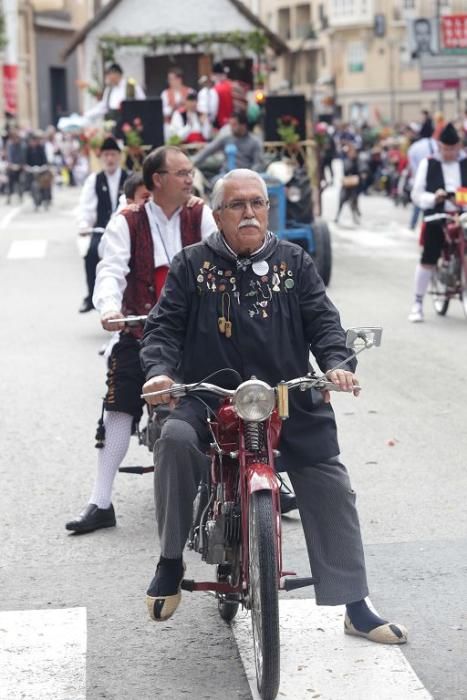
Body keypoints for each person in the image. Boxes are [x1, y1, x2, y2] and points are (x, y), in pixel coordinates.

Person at [139, 168, 408, 646]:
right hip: (207, 397)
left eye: (257, 204)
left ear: (268, 210)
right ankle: (169, 558)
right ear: (218, 215)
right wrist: (160, 374)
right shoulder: (190, 265)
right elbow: (162, 330)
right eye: (237, 205)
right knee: (174, 441)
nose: (249, 213)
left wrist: (335, 365)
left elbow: (325, 324)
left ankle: (355, 603)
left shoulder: (295, 262)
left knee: (328, 478)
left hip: (286, 397)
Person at [65, 146, 217, 534]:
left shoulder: (201, 214)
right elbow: (111, 270)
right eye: (181, 173)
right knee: (118, 405)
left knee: (236, 391)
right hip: (140, 329)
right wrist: (109, 308)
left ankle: (255, 478)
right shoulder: (126, 221)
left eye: (190, 172)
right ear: (157, 180)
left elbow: (221, 259)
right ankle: (101, 501)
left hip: (195, 331)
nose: (190, 179)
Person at [408, 122, 467, 322]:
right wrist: (435, 198)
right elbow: (416, 194)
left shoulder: (465, 162)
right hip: (438, 216)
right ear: (439, 146)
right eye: (446, 149)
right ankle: (417, 303)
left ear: (459, 146)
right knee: (428, 258)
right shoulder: (429, 162)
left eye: (453, 149)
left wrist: (459, 198)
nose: (450, 153)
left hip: (463, 215)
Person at [77, 136, 128, 313]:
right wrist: (84, 224)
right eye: (106, 155)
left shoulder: (129, 178)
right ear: (101, 158)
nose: (109, 159)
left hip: (125, 229)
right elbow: (86, 206)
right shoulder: (94, 180)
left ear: (119, 156)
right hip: (102, 230)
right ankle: (91, 296)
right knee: (91, 254)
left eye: (113, 154)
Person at [192, 111, 264, 173]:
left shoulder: (254, 142)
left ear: (243, 125)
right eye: (230, 124)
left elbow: (258, 164)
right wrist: (192, 163)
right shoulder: (226, 139)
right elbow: (208, 150)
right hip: (225, 175)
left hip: (245, 177)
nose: (231, 127)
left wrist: (248, 176)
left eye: (234, 125)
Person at [407, 119, 438, 230]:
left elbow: (412, 166)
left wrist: (417, 177)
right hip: (435, 180)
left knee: (418, 201)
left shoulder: (414, 147)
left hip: (418, 178)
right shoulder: (436, 145)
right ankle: (426, 226)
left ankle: (413, 225)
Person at [334, 141, 362, 225]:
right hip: (346, 184)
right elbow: (345, 169)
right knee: (341, 201)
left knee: (353, 202)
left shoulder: (357, 160)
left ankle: (355, 217)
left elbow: (361, 169)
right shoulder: (346, 160)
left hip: (354, 185)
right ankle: (337, 216)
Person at [6, 129, 26, 204]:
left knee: (20, 182)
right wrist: (10, 165)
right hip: (12, 167)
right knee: (10, 183)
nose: (15, 140)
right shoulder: (10, 145)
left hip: (20, 167)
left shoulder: (22, 145)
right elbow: (9, 156)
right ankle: (9, 197)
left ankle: (21, 196)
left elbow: (23, 156)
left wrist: (21, 165)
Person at [212, 62, 233, 128]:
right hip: (234, 122)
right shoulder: (232, 85)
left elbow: (213, 110)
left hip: (221, 124)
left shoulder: (215, 90)